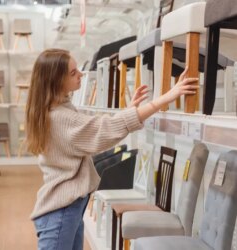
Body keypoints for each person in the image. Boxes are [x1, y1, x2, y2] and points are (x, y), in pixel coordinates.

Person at [26, 48, 198, 250]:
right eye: (73, 73)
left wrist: (130, 111)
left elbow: (95, 126)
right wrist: (165, 98)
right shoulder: (61, 118)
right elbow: (102, 129)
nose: (81, 74)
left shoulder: (57, 109)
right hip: (61, 212)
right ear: (56, 81)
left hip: (67, 209)